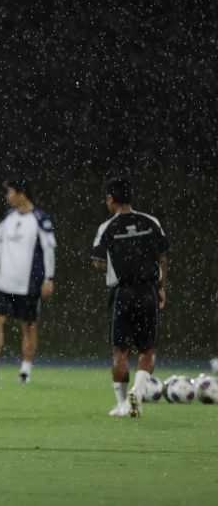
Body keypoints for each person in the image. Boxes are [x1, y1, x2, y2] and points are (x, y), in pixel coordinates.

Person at [91, 177, 169, 418]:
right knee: (147, 350)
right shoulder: (151, 221)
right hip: (148, 291)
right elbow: (163, 257)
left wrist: (118, 263)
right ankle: (138, 389)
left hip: (122, 293)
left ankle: (123, 403)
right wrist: (161, 287)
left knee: (120, 351)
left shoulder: (107, 227)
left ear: (111, 199)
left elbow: (97, 261)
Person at [0, 179, 56, 383]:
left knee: (28, 326)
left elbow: (49, 250)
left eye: (10, 192)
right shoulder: (9, 217)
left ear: (22, 194)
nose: (7, 196)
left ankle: (25, 371)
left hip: (29, 284)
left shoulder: (40, 219)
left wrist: (49, 278)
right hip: (5, 282)